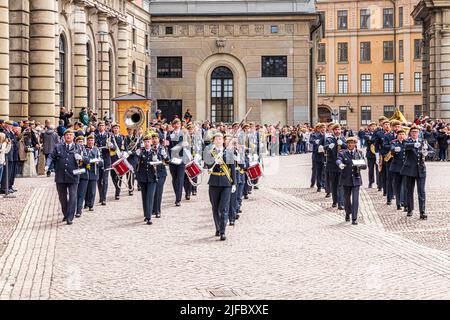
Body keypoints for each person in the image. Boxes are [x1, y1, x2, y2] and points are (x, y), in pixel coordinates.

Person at [45, 129, 89, 225]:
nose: (68, 136)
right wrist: (47, 165)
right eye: (67, 135)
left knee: (73, 197)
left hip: (73, 176)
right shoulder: (58, 147)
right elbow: (51, 157)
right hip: (60, 176)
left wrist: (81, 158)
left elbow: (87, 160)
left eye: (70, 135)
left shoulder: (79, 148)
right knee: (62, 197)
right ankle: (66, 214)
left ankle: (70, 217)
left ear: (73, 137)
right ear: (64, 137)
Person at [205, 132, 237, 241]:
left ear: (223, 141)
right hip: (214, 182)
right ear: (213, 141)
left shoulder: (228, 153)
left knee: (224, 208)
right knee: (215, 208)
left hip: (226, 183)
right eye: (216, 139)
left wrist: (234, 183)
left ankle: (223, 231)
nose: (218, 140)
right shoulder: (210, 153)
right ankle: (217, 227)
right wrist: (214, 160)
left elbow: (232, 169)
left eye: (220, 139)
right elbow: (208, 165)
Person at [400, 125, 433, 219]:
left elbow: (432, 151)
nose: (414, 133)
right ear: (410, 133)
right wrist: (414, 145)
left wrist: (427, 153)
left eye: (416, 132)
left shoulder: (423, 141)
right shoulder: (407, 141)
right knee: (409, 191)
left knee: (421, 191)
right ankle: (410, 209)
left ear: (419, 133)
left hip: (421, 170)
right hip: (409, 170)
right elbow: (404, 146)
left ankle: (422, 211)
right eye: (413, 132)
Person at [336, 137, 367, 225]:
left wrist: (359, 164)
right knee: (346, 199)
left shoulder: (359, 153)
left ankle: (354, 218)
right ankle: (347, 212)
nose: (350, 145)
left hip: (356, 179)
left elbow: (365, 166)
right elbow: (338, 159)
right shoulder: (342, 153)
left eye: (352, 143)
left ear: (355, 144)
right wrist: (340, 164)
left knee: (355, 199)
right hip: (346, 178)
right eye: (349, 143)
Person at [135, 134, 160, 225]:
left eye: (148, 142)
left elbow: (161, 161)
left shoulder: (155, 152)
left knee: (150, 196)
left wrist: (156, 162)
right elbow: (135, 158)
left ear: (151, 143)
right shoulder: (140, 151)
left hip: (152, 177)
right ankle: (146, 215)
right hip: (142, 177)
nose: (147, 143)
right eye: (145, 142)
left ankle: (149, 217)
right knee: (144, 197)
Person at [324, 124, 347, 210]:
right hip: (332, 165)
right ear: (333, 131)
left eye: (339, 129)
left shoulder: (343, 139)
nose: (337, 131)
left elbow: (348, 147)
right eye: (336, 130)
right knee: (334, 184)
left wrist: (343, 144)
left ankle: (341, 203)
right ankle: (335, 201)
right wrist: (329, 146)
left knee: (340, 184)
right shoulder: (329, 139)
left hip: (341, 165)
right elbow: (325, 147)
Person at [167, 118, 186, 206]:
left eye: (177, 124)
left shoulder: (184, 134)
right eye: (174, 124)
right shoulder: (169, 134)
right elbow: (167, 146)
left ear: (180, 125)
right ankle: (176, 194)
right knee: (174, 179)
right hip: (172, 159)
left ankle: (178, 198)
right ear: (172, 125)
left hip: (181, 158)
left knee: (180, 178)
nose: (176, 125)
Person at [150, 133, 169, 218]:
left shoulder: (162, 148)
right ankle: (153, 209)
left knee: (158, 191)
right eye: (153, 138)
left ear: (159, 139)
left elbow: (167, 161)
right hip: (151, 173)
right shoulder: (149, 148)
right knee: (152, 192)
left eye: (156, 138)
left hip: (161, 173)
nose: (154, 140)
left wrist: (164, 156)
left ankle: (158, 211)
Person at [389, 129, 407, 211]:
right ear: (397, 135)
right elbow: (392, 149)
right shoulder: (394, 142)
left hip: (405, 167)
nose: (401, 135)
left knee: (405, 185)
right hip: (396, 167)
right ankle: (398, 203)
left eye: (403, 134)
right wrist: (395, 149)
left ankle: (404, 202)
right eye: (400, 134)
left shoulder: (407, 142)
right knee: (397, 185)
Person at [95, 121, 112, 205]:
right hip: (98, 160)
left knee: (105, 180)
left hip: (106, 160)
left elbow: (114, 148)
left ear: (105, 127)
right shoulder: (96, 135)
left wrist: (111, 146)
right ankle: (101, 196)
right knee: (99, 179)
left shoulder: (109, 136)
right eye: (100, 125)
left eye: (103, 125)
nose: (102, 127)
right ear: (98, 127)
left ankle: (104, 198)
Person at [109, 123, 127, 200]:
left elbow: (125, 147)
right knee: (113, 175)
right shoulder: (110, 137)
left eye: (117, 128)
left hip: (120, 159)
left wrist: (125, 153)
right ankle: (117, 187)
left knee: (120, 175)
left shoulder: (123, 137)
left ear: (119, 129)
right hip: (112, 159)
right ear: (112, 129)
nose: (116, 129)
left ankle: (117, 192)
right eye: (114, 128)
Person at [310, 123, 326, 191]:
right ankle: (315, 183)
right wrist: (315, 141)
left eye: (324, 127)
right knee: (316, 170)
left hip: (325, 156)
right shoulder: (314, 135)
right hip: (317, 155)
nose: (322, 129)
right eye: (321, 127)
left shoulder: (327, 135)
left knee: (324, 171)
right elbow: (311, 140)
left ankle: (323, 184)